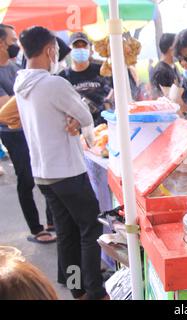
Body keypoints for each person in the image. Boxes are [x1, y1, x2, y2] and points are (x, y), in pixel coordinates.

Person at [15, 26, 108, 300]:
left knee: (67, 233)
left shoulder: (22, 83)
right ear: (49, 50)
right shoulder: (53, 83)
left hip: (43, 174)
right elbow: (86, 116)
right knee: (90, 228)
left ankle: (76, 287)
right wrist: (77, 119)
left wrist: (73, 119)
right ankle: (94, 290)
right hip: (67, 171)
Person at [0, 24, 56, 244]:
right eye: (13, 41)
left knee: (45, 172)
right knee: (26, 177)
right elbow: (6, 109)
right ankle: (36, 228)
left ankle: (52, 221)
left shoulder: (15, 69)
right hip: (12, 133)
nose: (16, 45)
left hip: (32, 127)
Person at [59, 32, 113, 126]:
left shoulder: (102, 69)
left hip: (105, 124)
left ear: (90, 49)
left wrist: (108, 102)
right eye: (76, 46)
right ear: (70, 49)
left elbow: (116, 88)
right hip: (78, 128)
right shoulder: (63, 77)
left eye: (84, 46)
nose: (81, 49)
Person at [151, 33, 182, 97]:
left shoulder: (173, 66)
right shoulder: (160, 71)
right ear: (171, 48)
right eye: (177, 46)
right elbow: (160, 97)